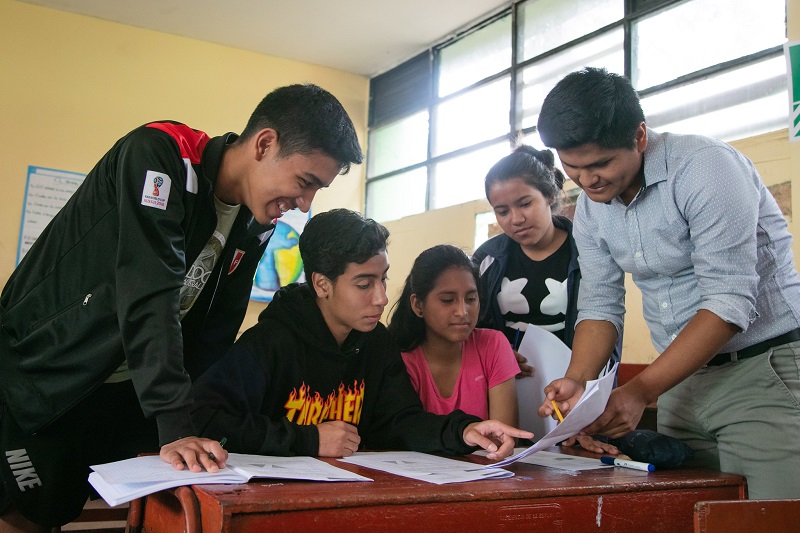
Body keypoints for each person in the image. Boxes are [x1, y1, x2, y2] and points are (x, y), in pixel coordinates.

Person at [0, 84, 363, 530]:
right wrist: (175, 424)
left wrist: (195, 420)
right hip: (38, 372)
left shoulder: (254, 224)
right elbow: (149, 293)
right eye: (305, 183)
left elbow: (214, 331)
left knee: (108, 506)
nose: (304, 205)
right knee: (27, 508)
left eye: (317, 191)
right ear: (265, 144)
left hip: (117, 391)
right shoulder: (161, 155)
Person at [536, 67, 800, 499]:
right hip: (679, 381)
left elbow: (728, 301)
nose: (587, 180)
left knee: (770, 517)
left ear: (639, 136)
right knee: (684, 512)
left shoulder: (705, 169)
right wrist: (579, 381)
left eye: (601, 163)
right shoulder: (591, 208)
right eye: (573, 167)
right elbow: (600, 303)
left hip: (762, 371)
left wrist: (640, 389)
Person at [191, 209, 532, 460]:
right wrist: (308, 440)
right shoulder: (271, 342)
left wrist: (462, 431)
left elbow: (400, 422)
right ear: (322, 284)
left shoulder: (376, 343)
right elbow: (203, 417)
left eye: (383, 279)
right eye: (364, 284)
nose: (382, 297)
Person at [474, 145, 621, 454]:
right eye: (502, 211)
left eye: (525, 203)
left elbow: (605, 321)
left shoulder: (587, 251)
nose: (515, 219)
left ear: (550, 196)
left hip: (576, 395)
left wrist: (586, 391)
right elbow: (472, 329)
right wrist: (496, 355)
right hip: (507, 396)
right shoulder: (487, 259)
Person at [388, 244, 519, 426]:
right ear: (418, 305)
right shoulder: (400, 359)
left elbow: (504, 437)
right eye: (447, 300)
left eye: (471, 299)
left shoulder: (493, 345)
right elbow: (404, 434)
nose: (462, 311)